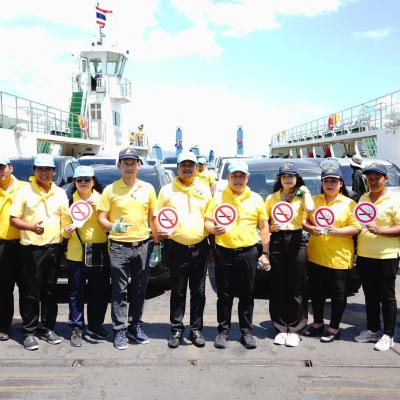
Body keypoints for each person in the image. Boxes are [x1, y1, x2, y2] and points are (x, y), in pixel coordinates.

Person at [205, 161, 269, 350]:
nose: (238, 179)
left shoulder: (256, 199)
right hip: (224, 252)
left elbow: (264, 227)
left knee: (247, 295)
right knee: (224, 295)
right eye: (234, 175)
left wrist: (265, 253)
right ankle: (223, 331)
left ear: (247, 178)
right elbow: (208, 222)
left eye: (242, 176)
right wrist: (212, 229)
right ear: (228, 177)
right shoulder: (218, 197)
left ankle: (246, 331)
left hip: (248, 253)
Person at [98, 147, 158, 350]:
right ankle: (119, 330)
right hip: (119, 247)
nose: (129, 166)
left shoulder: (148, 188)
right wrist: (112, 227)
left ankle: (135, 326)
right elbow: (101, 218)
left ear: (139, 165)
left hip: (143, 245)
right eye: (125, 163)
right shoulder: (110, 190)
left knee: (140, 290)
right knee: (119, 291)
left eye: (133, 163)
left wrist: (157, 242)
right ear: (119, 165)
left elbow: (152, 218)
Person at [10, 154, 70, 351]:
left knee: (50, 291)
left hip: (54, 248)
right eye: (40, 169)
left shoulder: (60, 193)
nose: (44, 173)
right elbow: (13, 219)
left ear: (54, 171)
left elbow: (65, 220)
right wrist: (30, 227)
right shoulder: (24, 192)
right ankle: (29, 331)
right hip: (31, 250)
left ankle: (47, 328)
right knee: (30, 292)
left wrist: (68, 231)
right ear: (34, 171)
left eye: (48, 169)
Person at [156, 152, 211, 349]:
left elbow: (209, 217)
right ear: (177, 167)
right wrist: (159, 231)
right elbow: (158, 216)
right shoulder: (166, 190)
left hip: (200, 248)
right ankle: (176, 329)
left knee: (199, 291)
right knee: (178, 291)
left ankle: (196, 330)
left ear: (196, 168)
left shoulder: (204, 189)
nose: (187, 168)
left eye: (191, 165)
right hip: (176, 248)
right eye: (183, 165)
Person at [302, 161, 360, 343]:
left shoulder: (349, 204)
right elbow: (304, 220)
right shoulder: (314, 201)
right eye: (326, 181)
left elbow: (356, 228)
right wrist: (311, 228)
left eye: (334, 181)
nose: (330, 184)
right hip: (316, 255)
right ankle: (318, 323)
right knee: (316, 292)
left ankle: (334, 327)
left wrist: (337, 231)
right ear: (322, 183)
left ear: (341, 183)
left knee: (338, 294)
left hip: (339, 256)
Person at [265, 162, 314, 347]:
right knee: (278, 285)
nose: (287, 179)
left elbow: (310, 209)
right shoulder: (272, 197)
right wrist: (271, 227)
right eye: (284, 176)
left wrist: (305, 192)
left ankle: (295, 329)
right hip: (277, 240)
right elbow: (263, 222)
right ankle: (280, 327)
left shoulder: (301, 195)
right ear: (280, 179)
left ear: (297, 178)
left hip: (296, 239)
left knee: (297, 285)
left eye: (291, 176)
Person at [354, 163, 400, 351]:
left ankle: (388, 335)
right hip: (365, 255)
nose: (373, 181)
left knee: (387, 296)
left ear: (386, 179)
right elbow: (358, 223)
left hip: (386, 255)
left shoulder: (394, 199)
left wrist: (380, 230)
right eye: (370, 178)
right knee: (370, 295)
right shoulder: (363, 198)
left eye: (377, 178)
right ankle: (373, 329)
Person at [62, 166, 110, 347]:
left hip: (99, 251)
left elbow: (111, 224)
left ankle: (95, 325)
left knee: (99, 292)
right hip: (76, 253)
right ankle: (76, 327)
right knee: (76, 292)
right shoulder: (68, 202)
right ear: (74, 182)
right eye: (79, 179)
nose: (83, 182)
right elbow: (62, 230)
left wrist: (97, 208)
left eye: (87, 179)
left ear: (93, 181)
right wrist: (66, 231)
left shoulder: (103, 200)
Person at [0, 157, 28, 341]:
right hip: (2, 245)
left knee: (27, 288)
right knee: (4, 289)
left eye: (2, 167)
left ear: (10, 168)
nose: (0, 171)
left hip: (25, 244)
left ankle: (29, 327)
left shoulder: (25, 188)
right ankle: (4, 326)